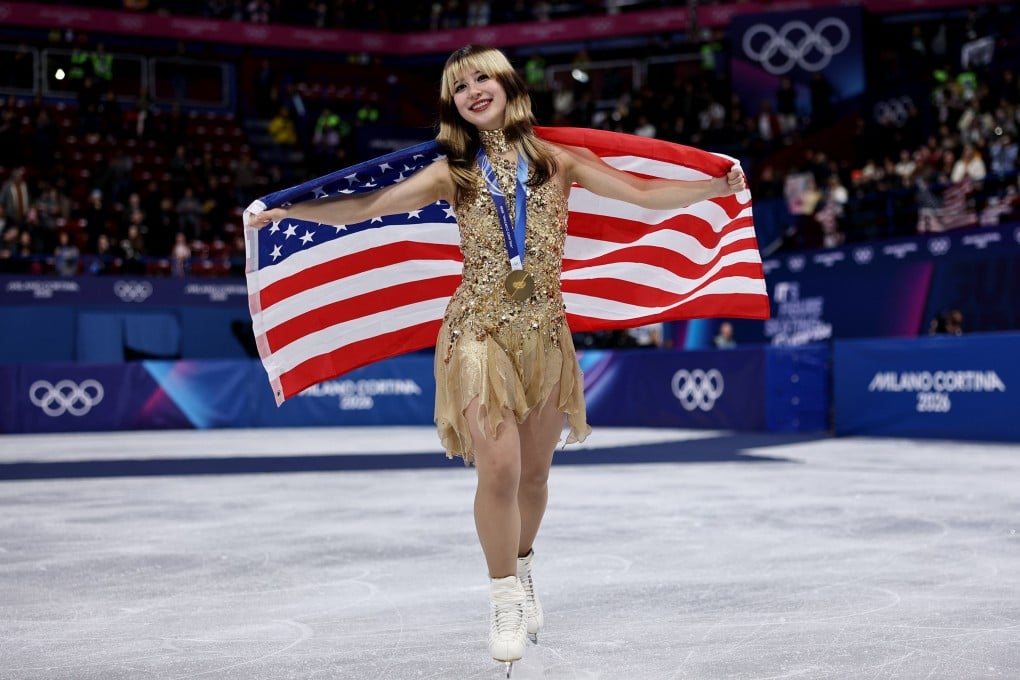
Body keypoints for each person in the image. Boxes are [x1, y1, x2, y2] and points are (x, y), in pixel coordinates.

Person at [247, 44, 745, 674]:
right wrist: (291, 209)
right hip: (476, 334)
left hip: (545, 336)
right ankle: (503, 594)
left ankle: (524, 562)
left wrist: (714, 185)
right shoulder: (452, 172)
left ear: (509, 86)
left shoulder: (558, 161)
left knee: (536, 477)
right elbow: (368, 207)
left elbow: (643, 193)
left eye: (482, 78)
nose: (473, 91)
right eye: (460, 86)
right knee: (501, 472)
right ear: (453, 104)